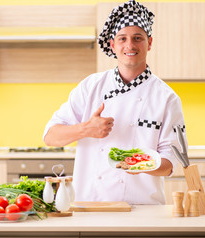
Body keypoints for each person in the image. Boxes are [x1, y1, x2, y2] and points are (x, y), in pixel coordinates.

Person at [43, 0, 187, 205]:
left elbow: (171, 163)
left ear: (150, 43)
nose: (130, 45)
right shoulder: (90, 87)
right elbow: (50, 136)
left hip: (144, 209)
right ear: (112, 44)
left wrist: (142, 165)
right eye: (122, 38)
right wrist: (86, 129)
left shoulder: (166, 98)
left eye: (138, 38)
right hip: (90, 207)